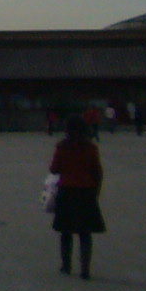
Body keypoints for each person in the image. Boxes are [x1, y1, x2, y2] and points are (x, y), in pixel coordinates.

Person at [49, 115, 106, 279]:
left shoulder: (62, 147)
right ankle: (85, 269)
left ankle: (66, 265)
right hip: (86, 192)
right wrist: (96, 190)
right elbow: (97, 171)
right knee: (85, 233)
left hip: (67, 191)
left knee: (65, 231)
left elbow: (54, 169)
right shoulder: (91, 147)